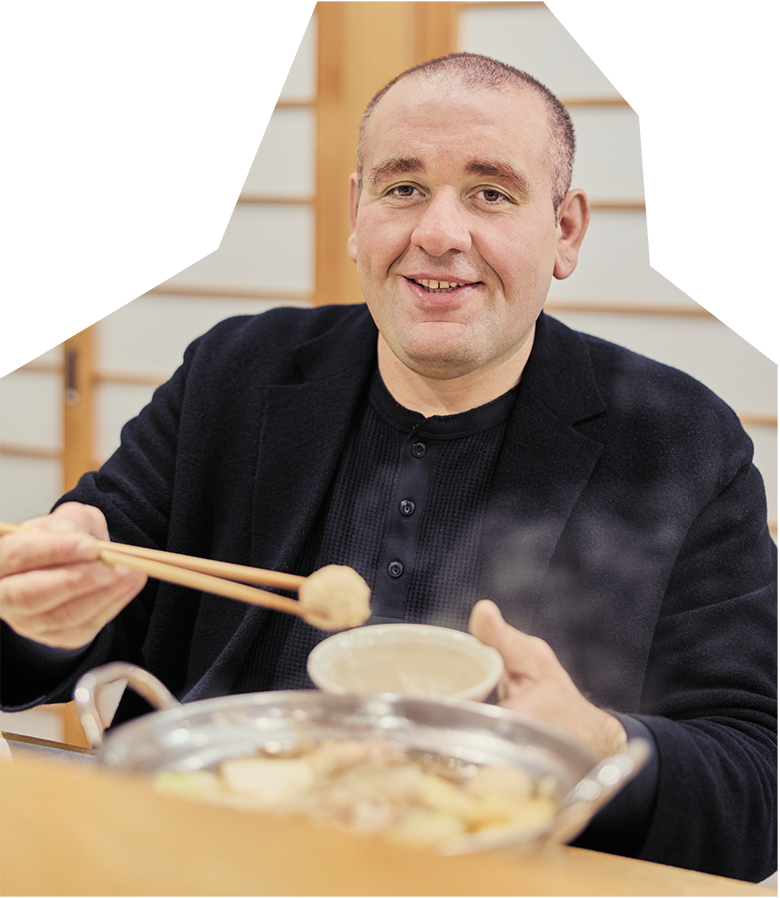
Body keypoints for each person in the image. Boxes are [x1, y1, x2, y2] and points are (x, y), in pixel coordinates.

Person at [0, 54, 776, 881]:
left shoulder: (679, 440)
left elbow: (755, 790)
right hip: (205, 859)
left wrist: (599, 745)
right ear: (356, 211)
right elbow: (48, 638)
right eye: (403, 188)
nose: (438, 233)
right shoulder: (236, 373)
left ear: (566, 231)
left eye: (491, 193)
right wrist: (40, 615)